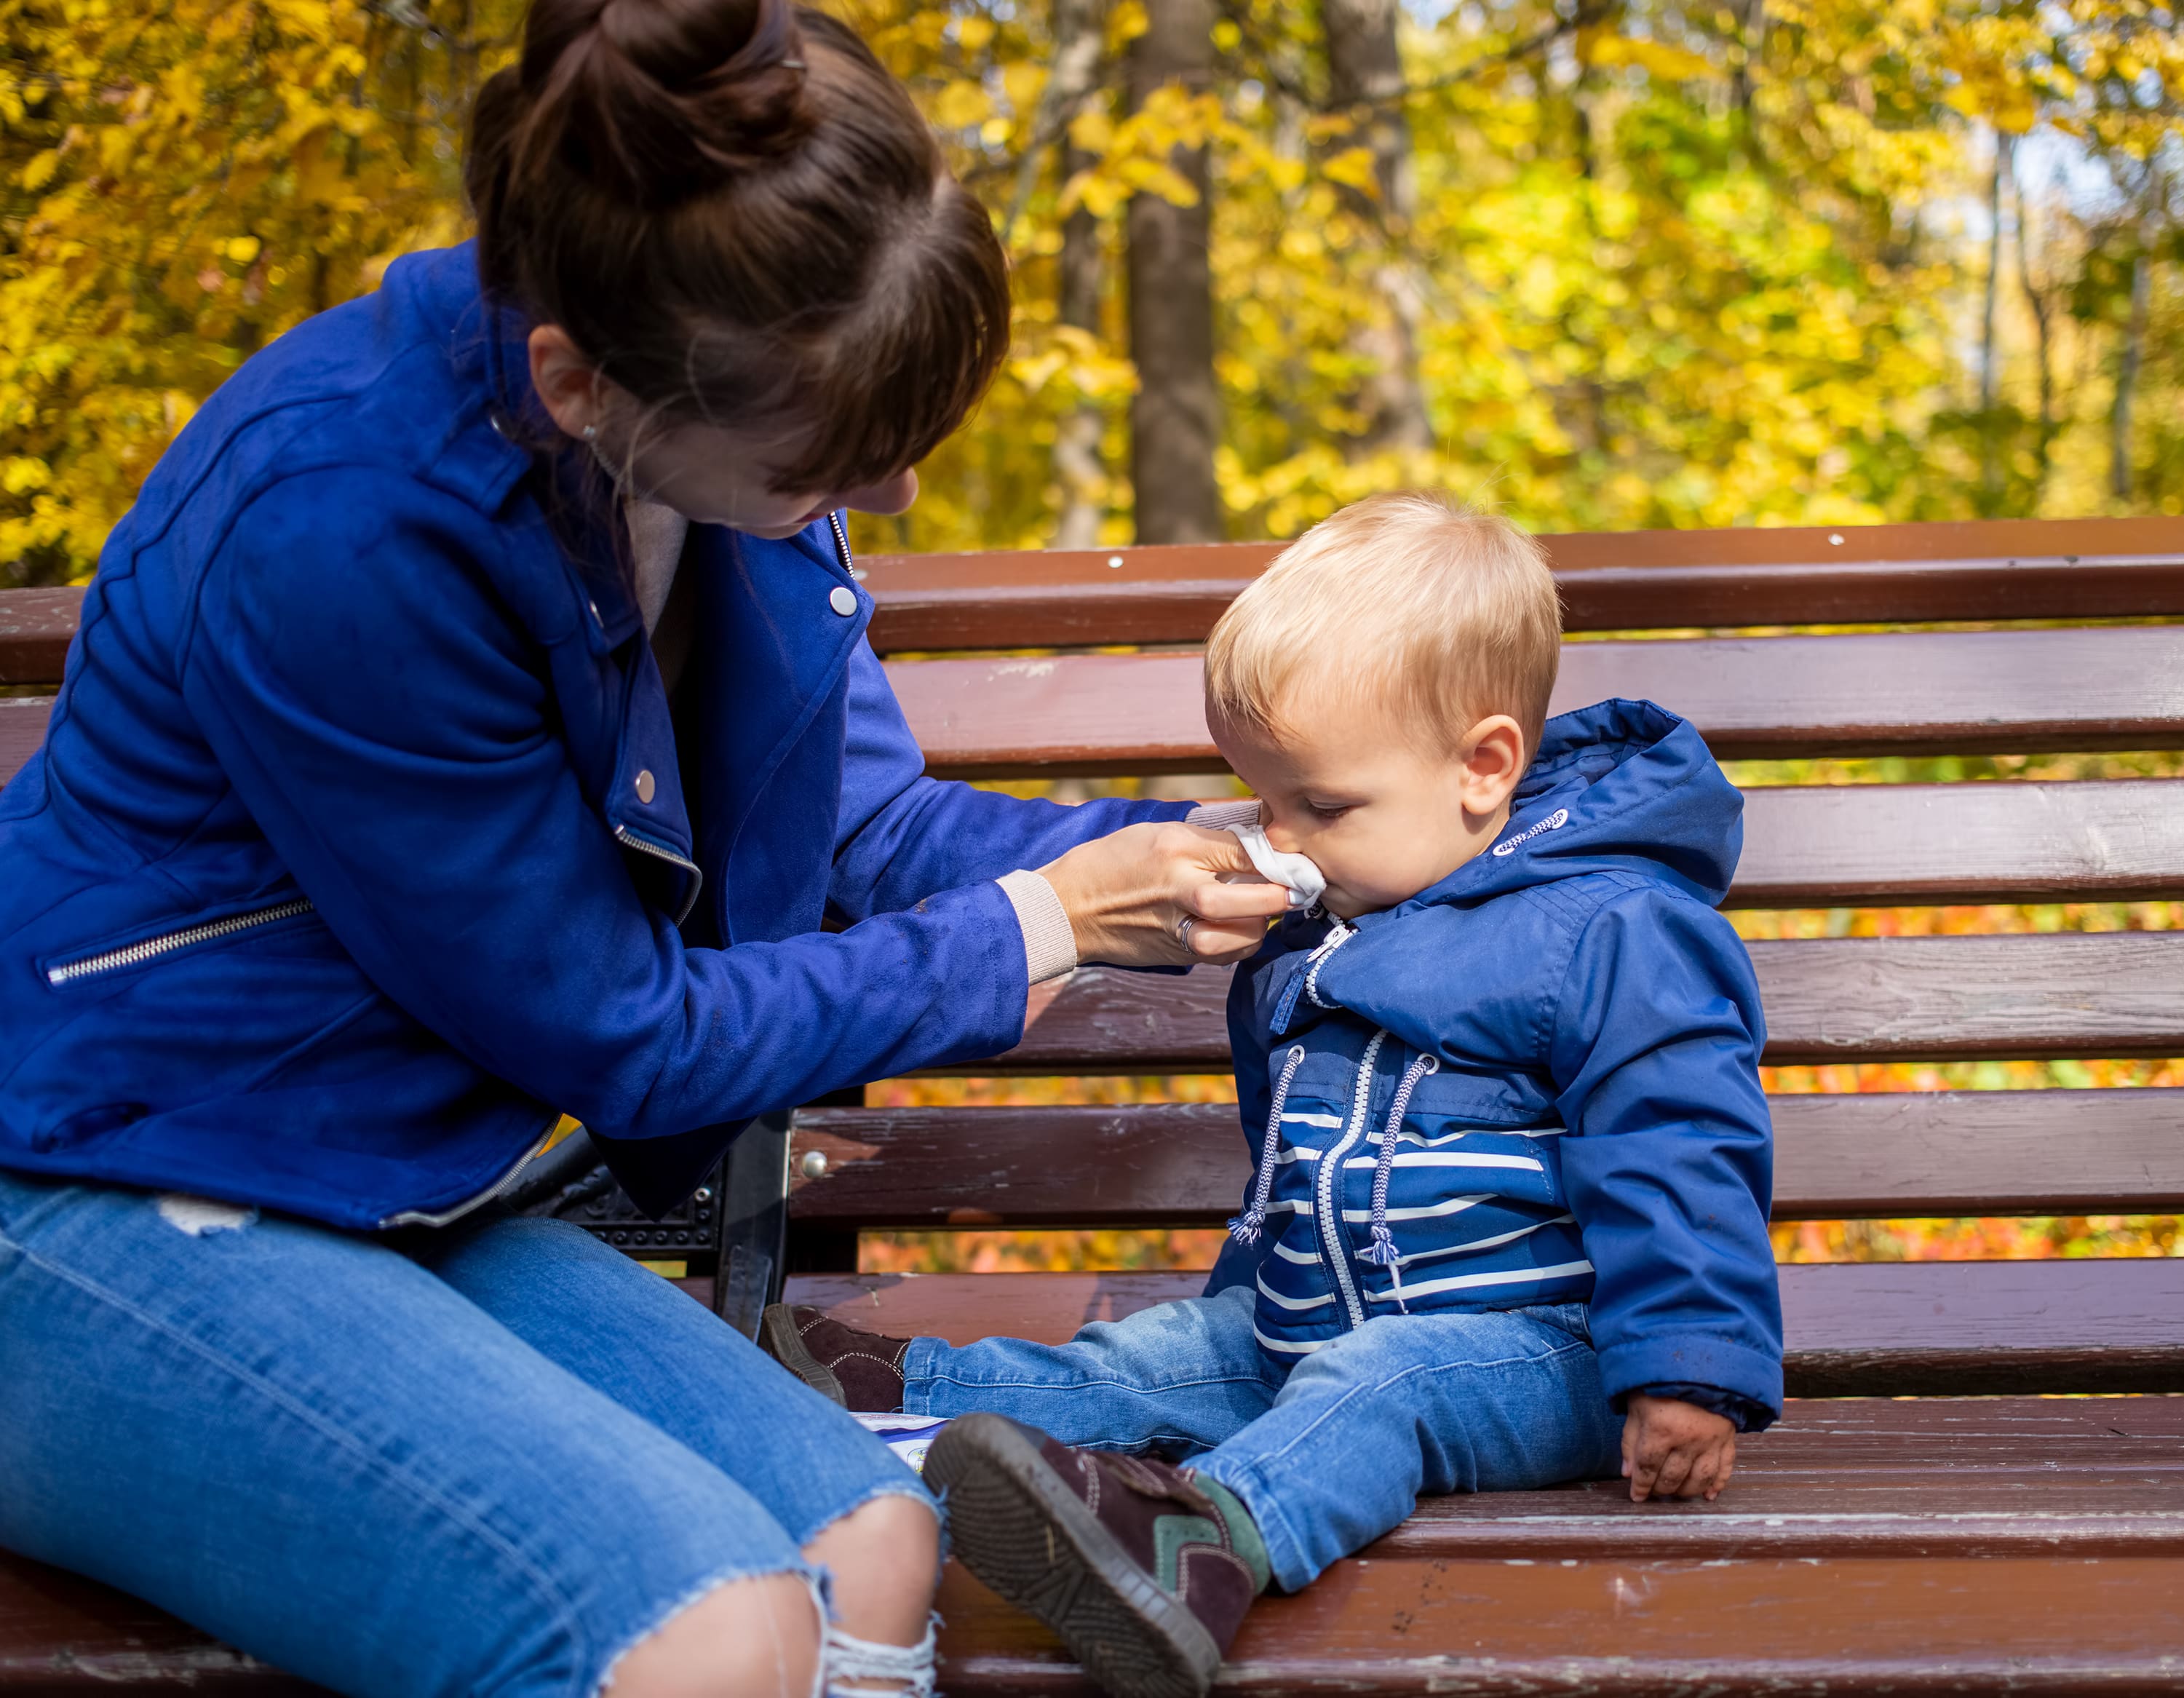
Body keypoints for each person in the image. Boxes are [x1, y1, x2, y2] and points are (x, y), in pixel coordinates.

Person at [0, 1, 1287, 1694]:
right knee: (711, 1631)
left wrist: (1185, 854)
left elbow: (871, 828)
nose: (883, 497)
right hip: (94, 1182)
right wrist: (1040, 930)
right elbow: (620, 1030)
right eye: (831, 462)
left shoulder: (701, 381)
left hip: (384, 1185)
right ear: (573, 381)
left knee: (872, 1546)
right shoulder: (336, 530)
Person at [762, 492, 1786, 1698]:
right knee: (1158, 1355)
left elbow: (1681, 1144)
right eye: (1263, 800)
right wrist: (1253, 1291)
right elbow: (1300, 1161)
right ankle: (884, 1394)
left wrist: (1686, 1369)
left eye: (1321, 806)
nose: (1280, 842)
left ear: (1484, 765)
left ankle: (1201, 1543)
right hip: (1313, 1324)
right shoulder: (1335, 914)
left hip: (1547, 1352)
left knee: (1381, 1384)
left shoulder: (1613, 926)